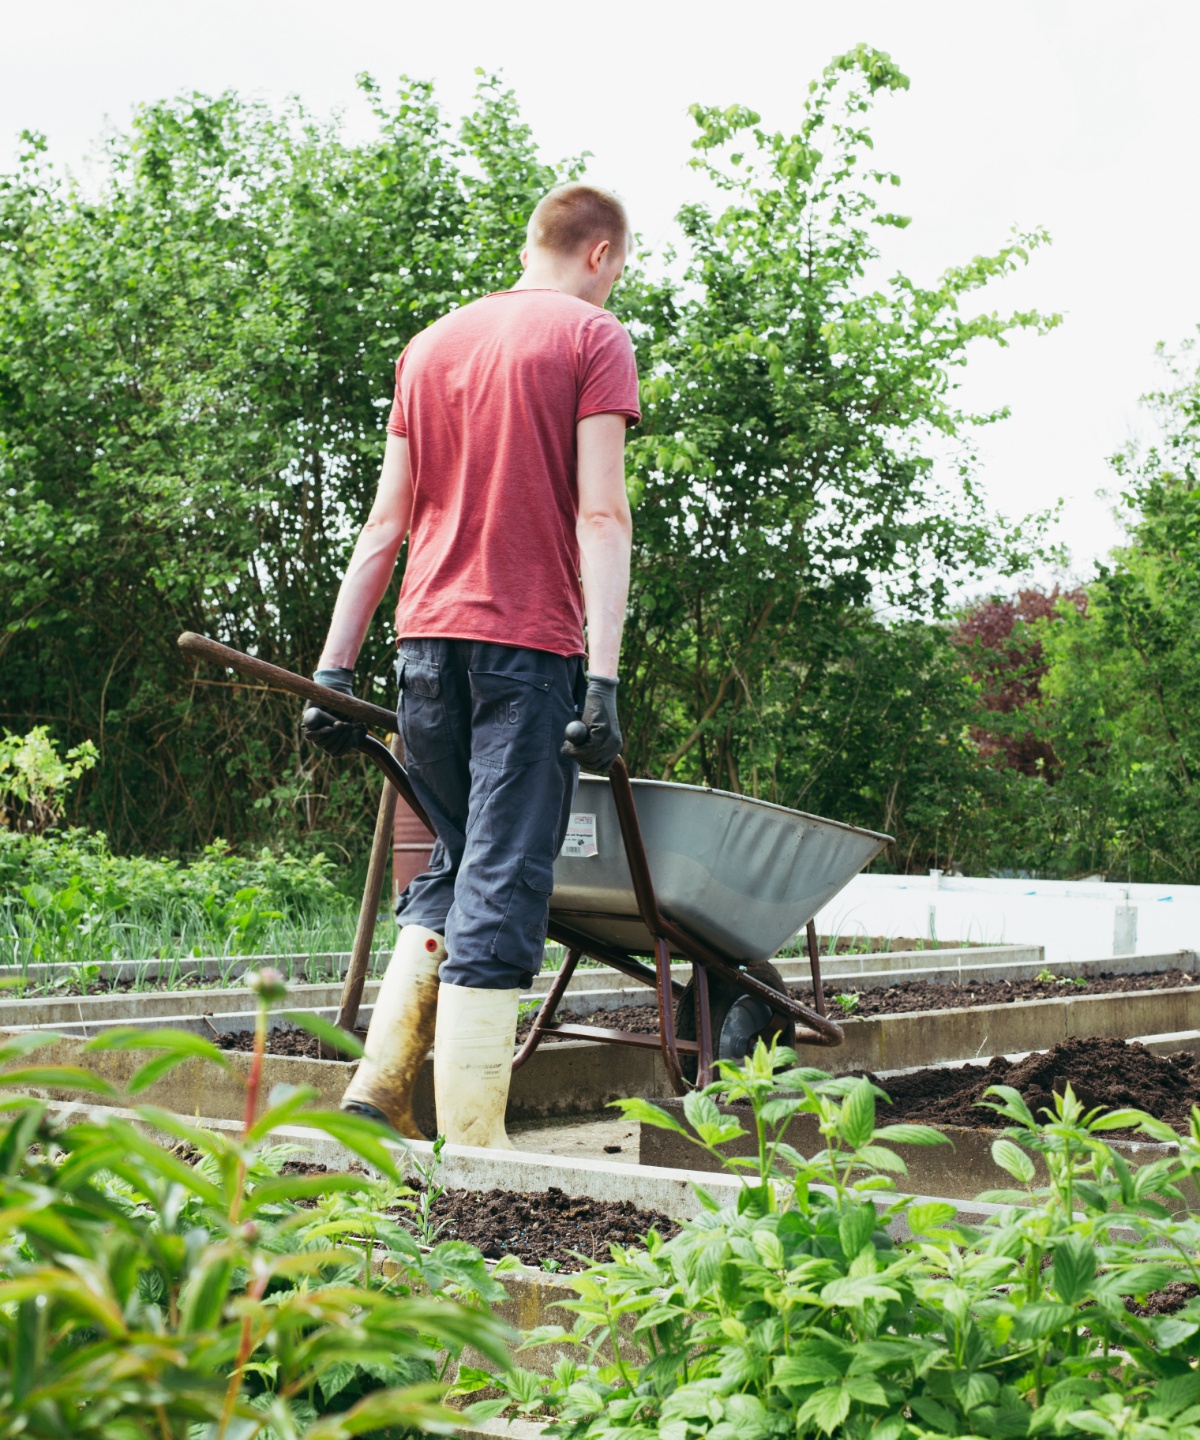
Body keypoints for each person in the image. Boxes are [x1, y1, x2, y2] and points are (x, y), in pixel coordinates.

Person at [301, 183, 639, 1149]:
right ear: (601, 256)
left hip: (423, 653)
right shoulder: (589, 338)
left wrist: (336, 668)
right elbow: (603, 515)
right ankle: (477, 1140)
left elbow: (385, 524)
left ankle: (380, 1087)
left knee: (453, 858)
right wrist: (603, 678)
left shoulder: (431, 345)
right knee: (504, 876)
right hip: (528, 653)